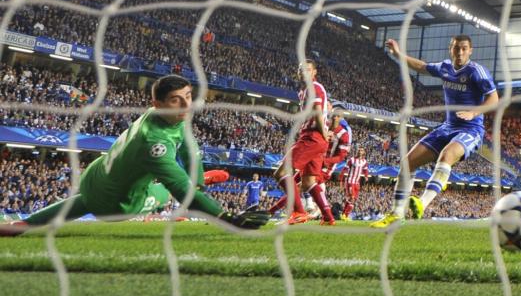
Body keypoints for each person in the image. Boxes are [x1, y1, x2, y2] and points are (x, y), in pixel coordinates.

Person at [0, 75, 267, 236]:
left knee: (89, 199)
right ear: (158, 104)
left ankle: (26, 223)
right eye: (178, 99)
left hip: (94, 181)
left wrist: (195, 179)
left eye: (189, 96)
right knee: (163, 191)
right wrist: (226, 219)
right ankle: (202, 180)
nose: (187, 104)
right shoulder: (154, 144)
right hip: (117, 207)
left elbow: (187, 143)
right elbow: (183, 195)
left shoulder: (163, 116)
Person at [371, 34, 499, 227]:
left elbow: (494, 98)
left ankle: (421, 203)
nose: (460, 52)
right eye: (457, 48)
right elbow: (422, 67)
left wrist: (474, 113)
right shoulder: (445, 67)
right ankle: (396, 214)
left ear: (470, 51)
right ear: (451, 49)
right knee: (408, 162)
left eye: (464, 48)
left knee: (447, 155)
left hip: (471, 129)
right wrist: (398, 54)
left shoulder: (477, 72)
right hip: (447, 127)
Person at [272, 59, 336, 226]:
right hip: (315, 138)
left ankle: (299, 212)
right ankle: (328, 217)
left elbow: (317, 112)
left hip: (312, 137)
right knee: (308, 182)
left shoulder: (314, 87)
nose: (304, 73)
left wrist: (323, 132)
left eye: (308, 70)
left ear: (314, 72)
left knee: (280, 173)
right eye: (301, 70)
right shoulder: (306, 90)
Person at [339, 147, 369, 221]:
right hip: (350, 182)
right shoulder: (352, 160)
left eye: (361, 150)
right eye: (358, 150)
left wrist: (366, 176)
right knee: (352, 199)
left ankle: (343, 214)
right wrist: (341, 179)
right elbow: (344, 169)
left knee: (352, 199)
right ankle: (346, 215)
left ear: (363, 152)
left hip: (357, 183)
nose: (359, 151)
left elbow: (365, 170)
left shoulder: (364, 161)